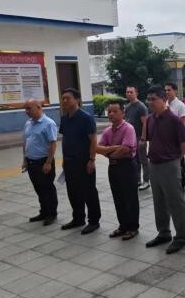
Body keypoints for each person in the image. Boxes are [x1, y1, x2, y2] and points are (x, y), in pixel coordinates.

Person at [143, 85, 185, 254]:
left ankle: (180, 236)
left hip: (169, 164)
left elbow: (184, 144)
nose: (150, 102)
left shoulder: (174, 119)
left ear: (163, 99)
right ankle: (164, 232)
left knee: (175, 202)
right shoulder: (150, 119)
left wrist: (175, 160)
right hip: (154, 164)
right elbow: (149, 139)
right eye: (148, 99)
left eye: (153, 99)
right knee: (159, 201)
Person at [59, 88, 101, 234]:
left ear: (77, 100)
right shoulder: (64, 118)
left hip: (83, 161)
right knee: (73, 191)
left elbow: (93, 140)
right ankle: (78, 218)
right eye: (63, 98)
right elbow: (65, 139)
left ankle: (94, 221)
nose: (65, 101)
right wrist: (64, 159)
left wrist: (92, 159)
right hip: (69, 161)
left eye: (68, 98)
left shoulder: (86, 118)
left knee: (89, 191)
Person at [96, 100, 139, 240]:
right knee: (118, 197)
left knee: (130, 198)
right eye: (109, 111)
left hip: (127, 166)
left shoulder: (128, 128)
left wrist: (108, 151)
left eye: (115, 111)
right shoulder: (107, 131)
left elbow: (125, 150)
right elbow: (98, 148)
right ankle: (123, 226)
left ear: (123, 113)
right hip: (113, 168)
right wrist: (114, 149)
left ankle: (133, 227)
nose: (111, 114)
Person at [22, 99, 58, 225]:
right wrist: (25, 160)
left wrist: (48, 162)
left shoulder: (49, 123)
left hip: (43, 162)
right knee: (38, 188)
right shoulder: (28, 123)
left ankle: (51, 214)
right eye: (25, 109)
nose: (26, 111)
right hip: (31, 162)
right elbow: (25, 142)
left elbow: (53, 144)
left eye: (29, 108)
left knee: (47, 188)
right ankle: (43, 212)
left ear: (38, 107)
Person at [165, 82, 185, 187]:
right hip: (165, 139)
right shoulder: (164, 103)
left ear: (175, 91)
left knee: (179, 162)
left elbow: (183, 124)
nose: (167, 92)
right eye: (166, 90)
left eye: (169, 90)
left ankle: (181, 183)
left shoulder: (180, 105)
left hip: (176, 139)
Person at [125, 86, 150, 191]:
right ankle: (137, 180)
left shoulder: (141, 106)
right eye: (127, 92)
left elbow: (145, 123)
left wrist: (143, 139)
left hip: (140, 137)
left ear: (136, 93)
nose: (129, 94)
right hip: (131, 138)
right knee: (134, 160)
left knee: (143, 160)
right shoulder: (128, 107)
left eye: (131, 92)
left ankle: (146, 181)